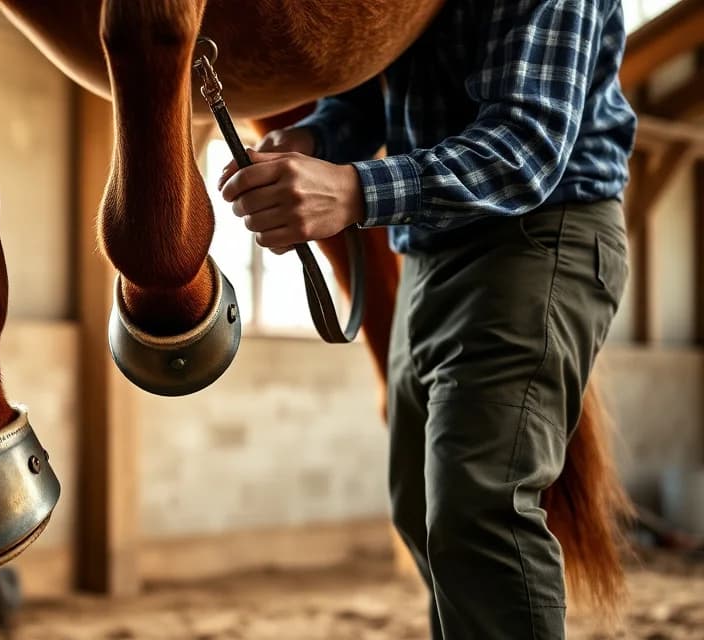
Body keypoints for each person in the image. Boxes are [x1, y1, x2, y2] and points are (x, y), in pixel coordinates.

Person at [218, 1, 636, 638]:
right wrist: (310, 139)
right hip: (427, 248)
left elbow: (525, 148)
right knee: (420, 509)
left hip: (535, 236)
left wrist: (353, 191)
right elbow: (366, 103)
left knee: (482, 509)